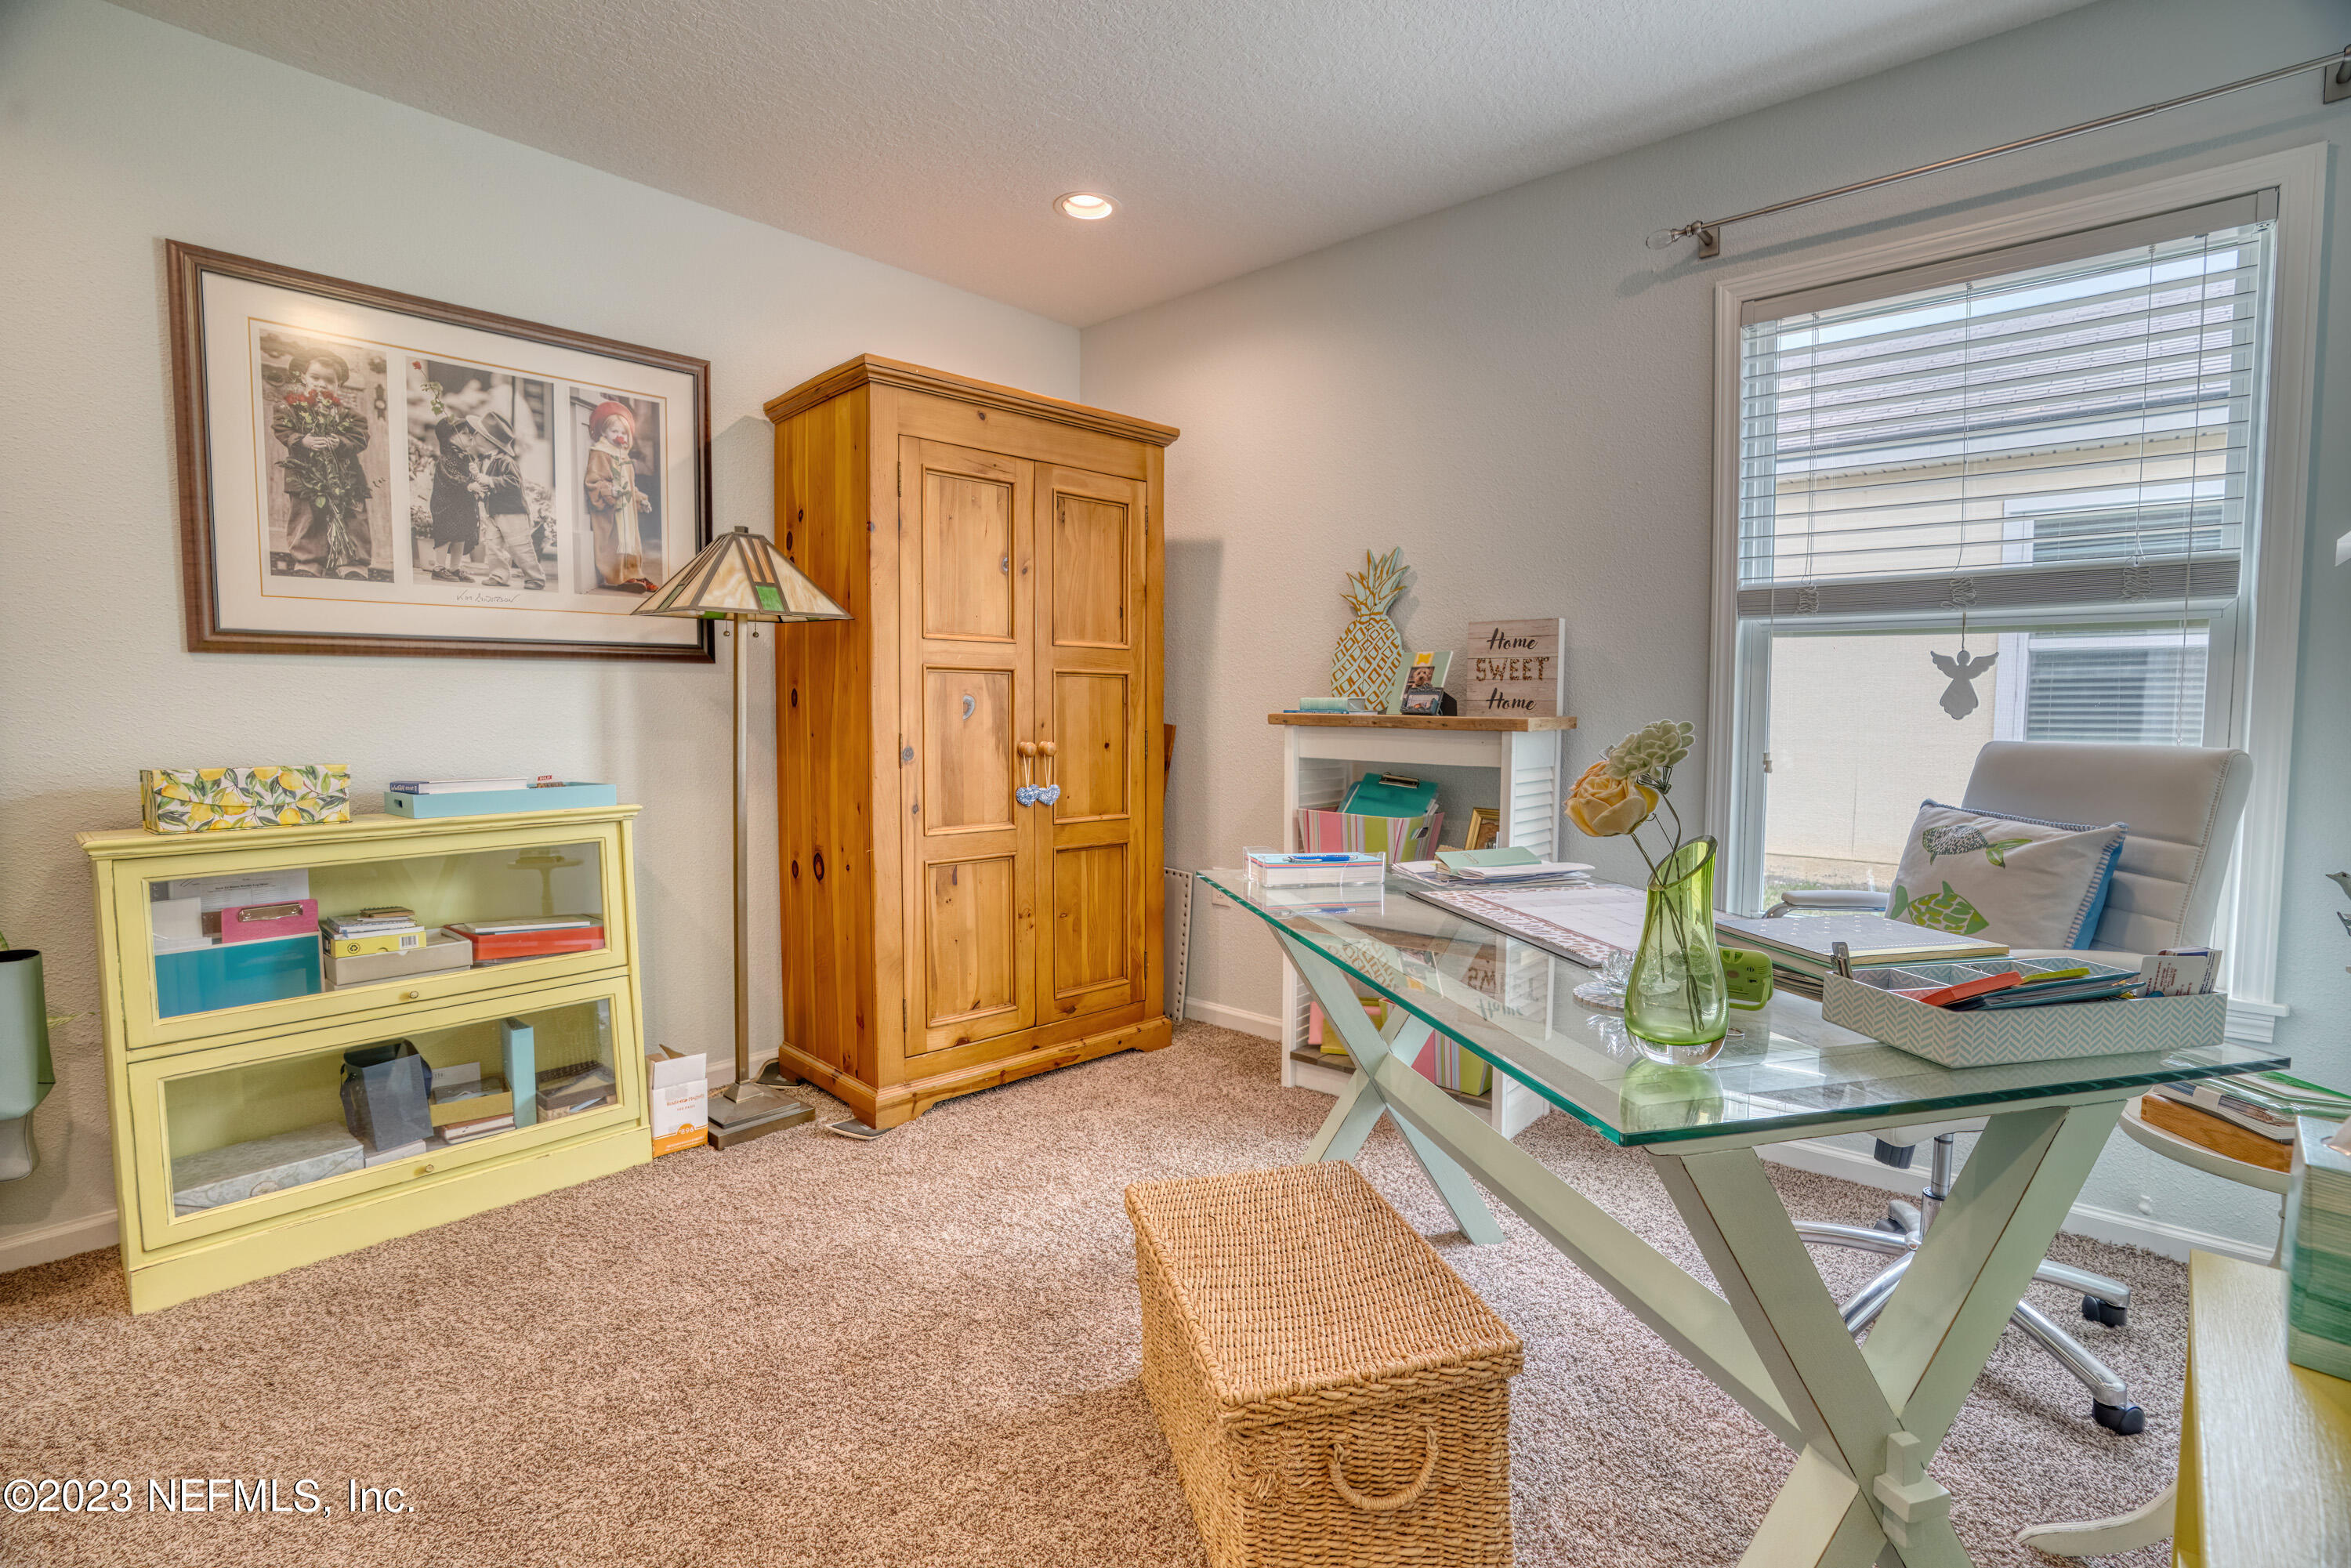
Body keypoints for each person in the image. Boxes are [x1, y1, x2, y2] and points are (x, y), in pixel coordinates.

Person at [270, 348, 373, 579]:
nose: (321, 384)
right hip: (306, 475)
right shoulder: (290, 409)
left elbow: (360, 437)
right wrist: (302, 440)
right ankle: (308, 563)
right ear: (303, 378)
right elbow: (282, 429)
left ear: (339, 386)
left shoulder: (349, 415)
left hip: (346, 477)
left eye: (329, 381)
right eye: (315, 378)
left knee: (352, 518)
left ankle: (353, 566)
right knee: (307, 517)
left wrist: (341, 442)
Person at [462, 412, 544, 590]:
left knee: (519, 545)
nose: (473, 434)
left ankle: (534, 577)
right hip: (494, 510)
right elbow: (484, 483)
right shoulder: (482, 461)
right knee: (493, 545)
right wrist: (477, 481)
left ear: (489, 440)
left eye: (478, 433)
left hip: (512, 512)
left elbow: (514, 483)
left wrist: (490, 481)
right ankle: (499, 575)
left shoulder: (507, 462)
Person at [583, 399, 656, 592]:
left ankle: (634, 572)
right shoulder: (601, 453)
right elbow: (594, 480)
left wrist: (641, 500)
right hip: (612, 509)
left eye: (623, 432)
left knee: (630, 541)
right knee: (616, 542)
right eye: (614, 431)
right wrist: (609, 490)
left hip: (626, 511)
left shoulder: (624, 457)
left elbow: (630, 487)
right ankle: (618, 576)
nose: (619, 436)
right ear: (604, 432)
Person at [426, 416, 484, 582]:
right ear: (449, 438)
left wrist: (474, 472)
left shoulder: (465, 458)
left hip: (462, 505)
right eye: (464, 433)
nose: (470, 436)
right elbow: (451, 477)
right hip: (447, 504)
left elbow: (468, 475)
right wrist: (469, 484)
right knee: (445, 535)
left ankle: (455, 568)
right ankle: (438, 567)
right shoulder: (447, 459)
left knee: (461, 535)